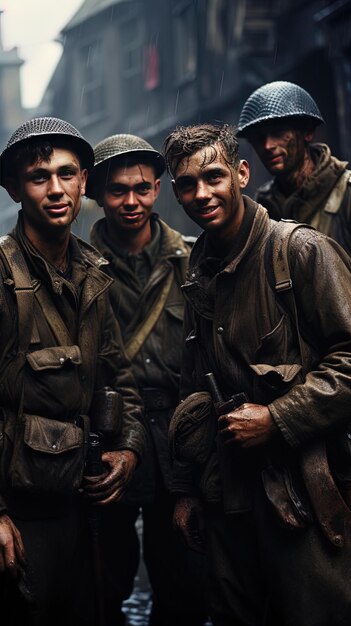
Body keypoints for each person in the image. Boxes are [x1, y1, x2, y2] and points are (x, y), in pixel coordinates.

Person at [163, 122, 351, 626]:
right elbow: (192, 387)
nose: (201, 193)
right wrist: (186, 490)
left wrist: (277, 418)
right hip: (228, 499)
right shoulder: (199, 271)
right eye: (186, 184)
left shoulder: (301, 251)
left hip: (305, 494)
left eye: (214, 176)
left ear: (241, 174)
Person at [0, 117, 145, 626]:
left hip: (84, 507)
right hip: (22, 512)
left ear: (85, 181)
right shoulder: (1, 274)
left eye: (67, 174)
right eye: (40, 176)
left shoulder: (91, 273)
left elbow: (118, 378)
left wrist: (127, 448)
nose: (56, 189)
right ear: (15, 188)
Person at [85, 133, 210, 626]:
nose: (130, 201)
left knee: (184, 583)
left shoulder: (195, 261)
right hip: (107, 441)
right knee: (102, 582)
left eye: (141, 188)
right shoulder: (77, 270)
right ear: (96, 194)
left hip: (182, 441)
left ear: (158, 188)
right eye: (117, 190)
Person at [237, 80, 351, 254]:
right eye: (259, 138)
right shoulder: (263, 207)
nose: (268, 145)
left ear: (307, 132)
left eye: (278, 133)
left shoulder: (346, 193)